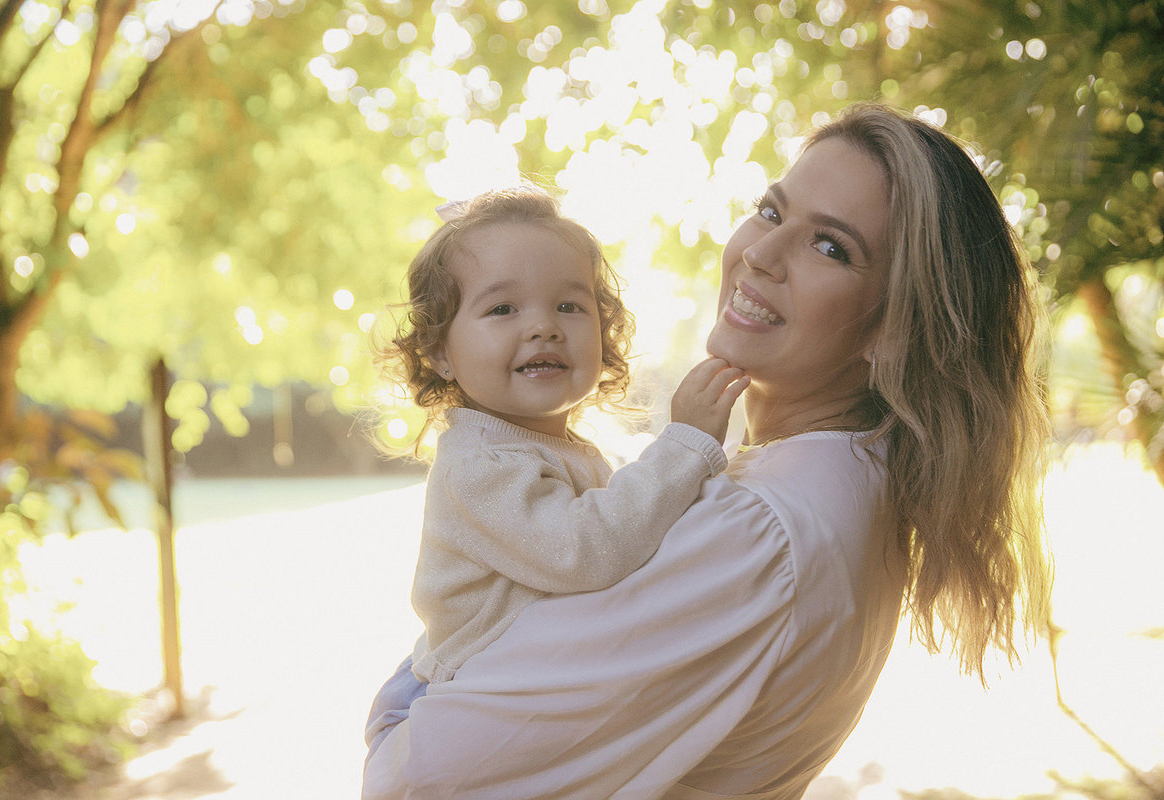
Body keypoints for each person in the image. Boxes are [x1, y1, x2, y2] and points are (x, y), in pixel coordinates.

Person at [361, 102, 1053, 800]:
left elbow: (416, 781)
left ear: (893, 327)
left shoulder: (758, 533)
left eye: (831, 247)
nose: (759, 253)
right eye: (773, 212)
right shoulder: (847, 483)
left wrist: (388, 738)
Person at [364, 186, 751, 759]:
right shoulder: (480, 464)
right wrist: (686, 449)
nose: (543, 327)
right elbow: (585, 548)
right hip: (445, 704)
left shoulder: (556, 447)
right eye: (502, 309)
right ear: (439, 350)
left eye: (570, 306)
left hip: (504, 690)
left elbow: (631, 531)